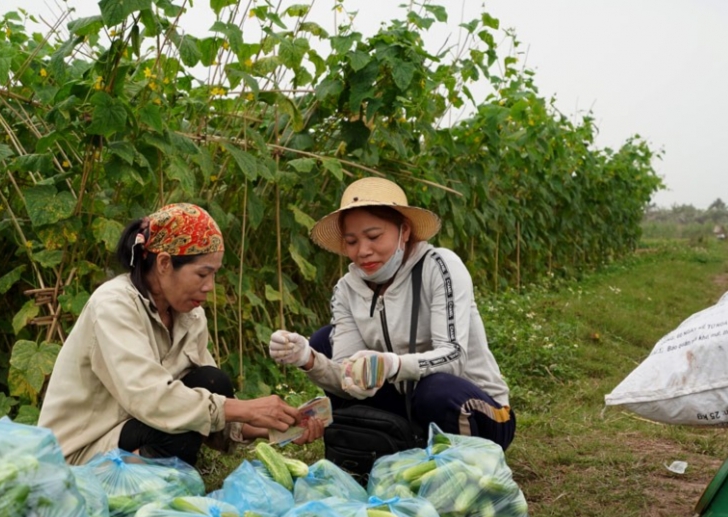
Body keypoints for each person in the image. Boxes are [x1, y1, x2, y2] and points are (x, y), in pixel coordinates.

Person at [39, 203, 323, 466]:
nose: (210, 286)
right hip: (82, 450)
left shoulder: (190, 313)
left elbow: (206, 396)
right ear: (164, 264)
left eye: (215, 274)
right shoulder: (113, 305)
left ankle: (154, 471)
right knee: (176, 430)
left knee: (212, 381)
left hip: (139, 427)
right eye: (202, 274)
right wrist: (246, 408)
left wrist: (271, 425)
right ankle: (119, 481)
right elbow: (152, 399)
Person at [269, 178, 515, 450]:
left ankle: (465, 465)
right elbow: (347, 380)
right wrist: (308, 359)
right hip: (406, 410)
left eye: (374, 237)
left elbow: (454, 356)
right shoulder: (347, 289)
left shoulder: (440, 266)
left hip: (476, 409)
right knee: (322, 342)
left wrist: (392, 365)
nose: (363, 251)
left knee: (436, 390)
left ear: (405, 231)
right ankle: (376, 442)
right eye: (351, 241)